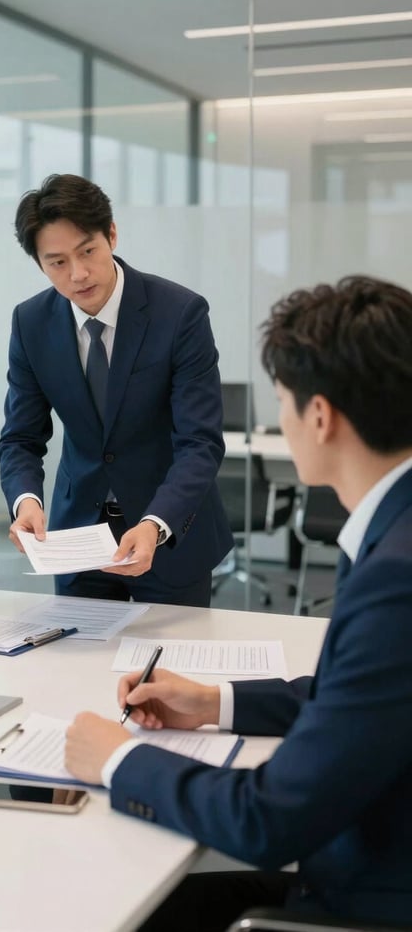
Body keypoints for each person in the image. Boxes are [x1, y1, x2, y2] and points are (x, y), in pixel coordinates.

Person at [65, 275, 412, 930]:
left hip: (361, 901)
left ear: (319, 415)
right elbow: (363, 694)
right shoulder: (395, 531)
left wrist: (117, 757)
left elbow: (269, 818)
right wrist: (213, 700)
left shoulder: (397, 575)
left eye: (281, 398)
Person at [0, 173, 232, 606]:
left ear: (112, 235)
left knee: (166, 668)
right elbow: (20, 438)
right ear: (40, 264)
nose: (79, 274)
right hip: (76, 539)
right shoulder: (30, 323)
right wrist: (25, 500)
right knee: (76, 666)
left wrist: (155, 523)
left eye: (88, 250)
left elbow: (199, 442)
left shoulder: (179, 314)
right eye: (57, 262)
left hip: (168, 533)